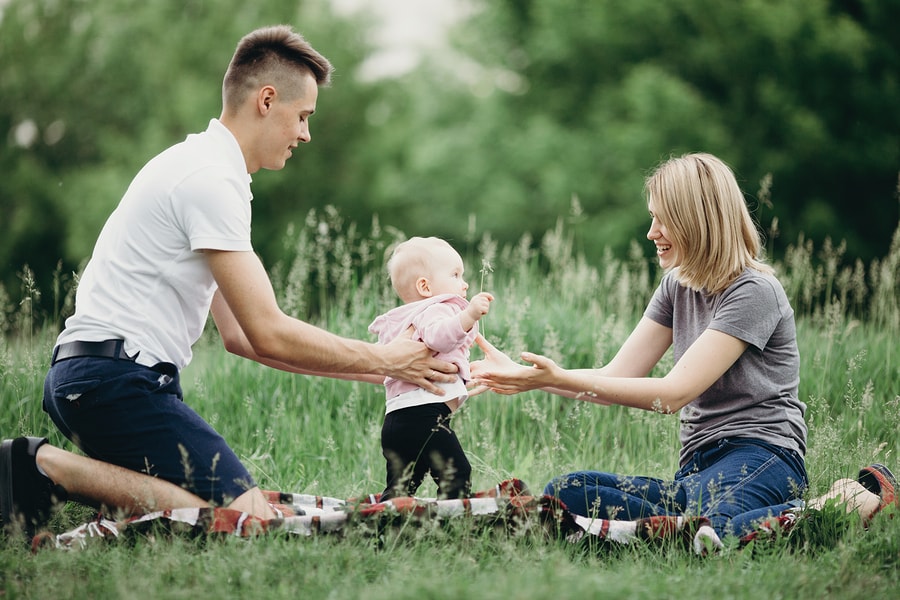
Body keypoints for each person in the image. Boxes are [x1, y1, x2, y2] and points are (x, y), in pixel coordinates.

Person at [0, 25, 459, 540]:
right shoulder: (210, 180)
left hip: (99, 379)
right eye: (303, 116)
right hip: (113, 383)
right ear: (267, 100)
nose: (306, 133)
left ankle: (68, 486)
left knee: (212, 515)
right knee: (247, 523)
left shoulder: (209, 169)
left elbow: (241, 338)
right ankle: (41, 466)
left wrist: (393, 377)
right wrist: (385, 358)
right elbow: (268, 331)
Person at [471, 152, 813, 539]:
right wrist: (526, 377)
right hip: (694, 472)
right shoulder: (676, 286)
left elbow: (672, 394)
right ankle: (666, 530)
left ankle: (829, 505)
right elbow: (611, 381)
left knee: (713, 528)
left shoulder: (754, 292)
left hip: (761, 457)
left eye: (662, 219)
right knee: (565, 494)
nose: (652, 232)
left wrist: (555, 377)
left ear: (696, 220)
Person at [369, 237, 493, 500]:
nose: (465, 283)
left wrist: (461, 374)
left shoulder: (409, 318)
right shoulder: (434, 310)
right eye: (455, 274)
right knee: (456, 473)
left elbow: (440, 351)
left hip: (399, 419)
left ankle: (385, 529)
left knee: (402, 486)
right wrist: (468, 316)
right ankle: (453, 528)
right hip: (423, 416)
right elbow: (439, 337)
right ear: (425, 286)